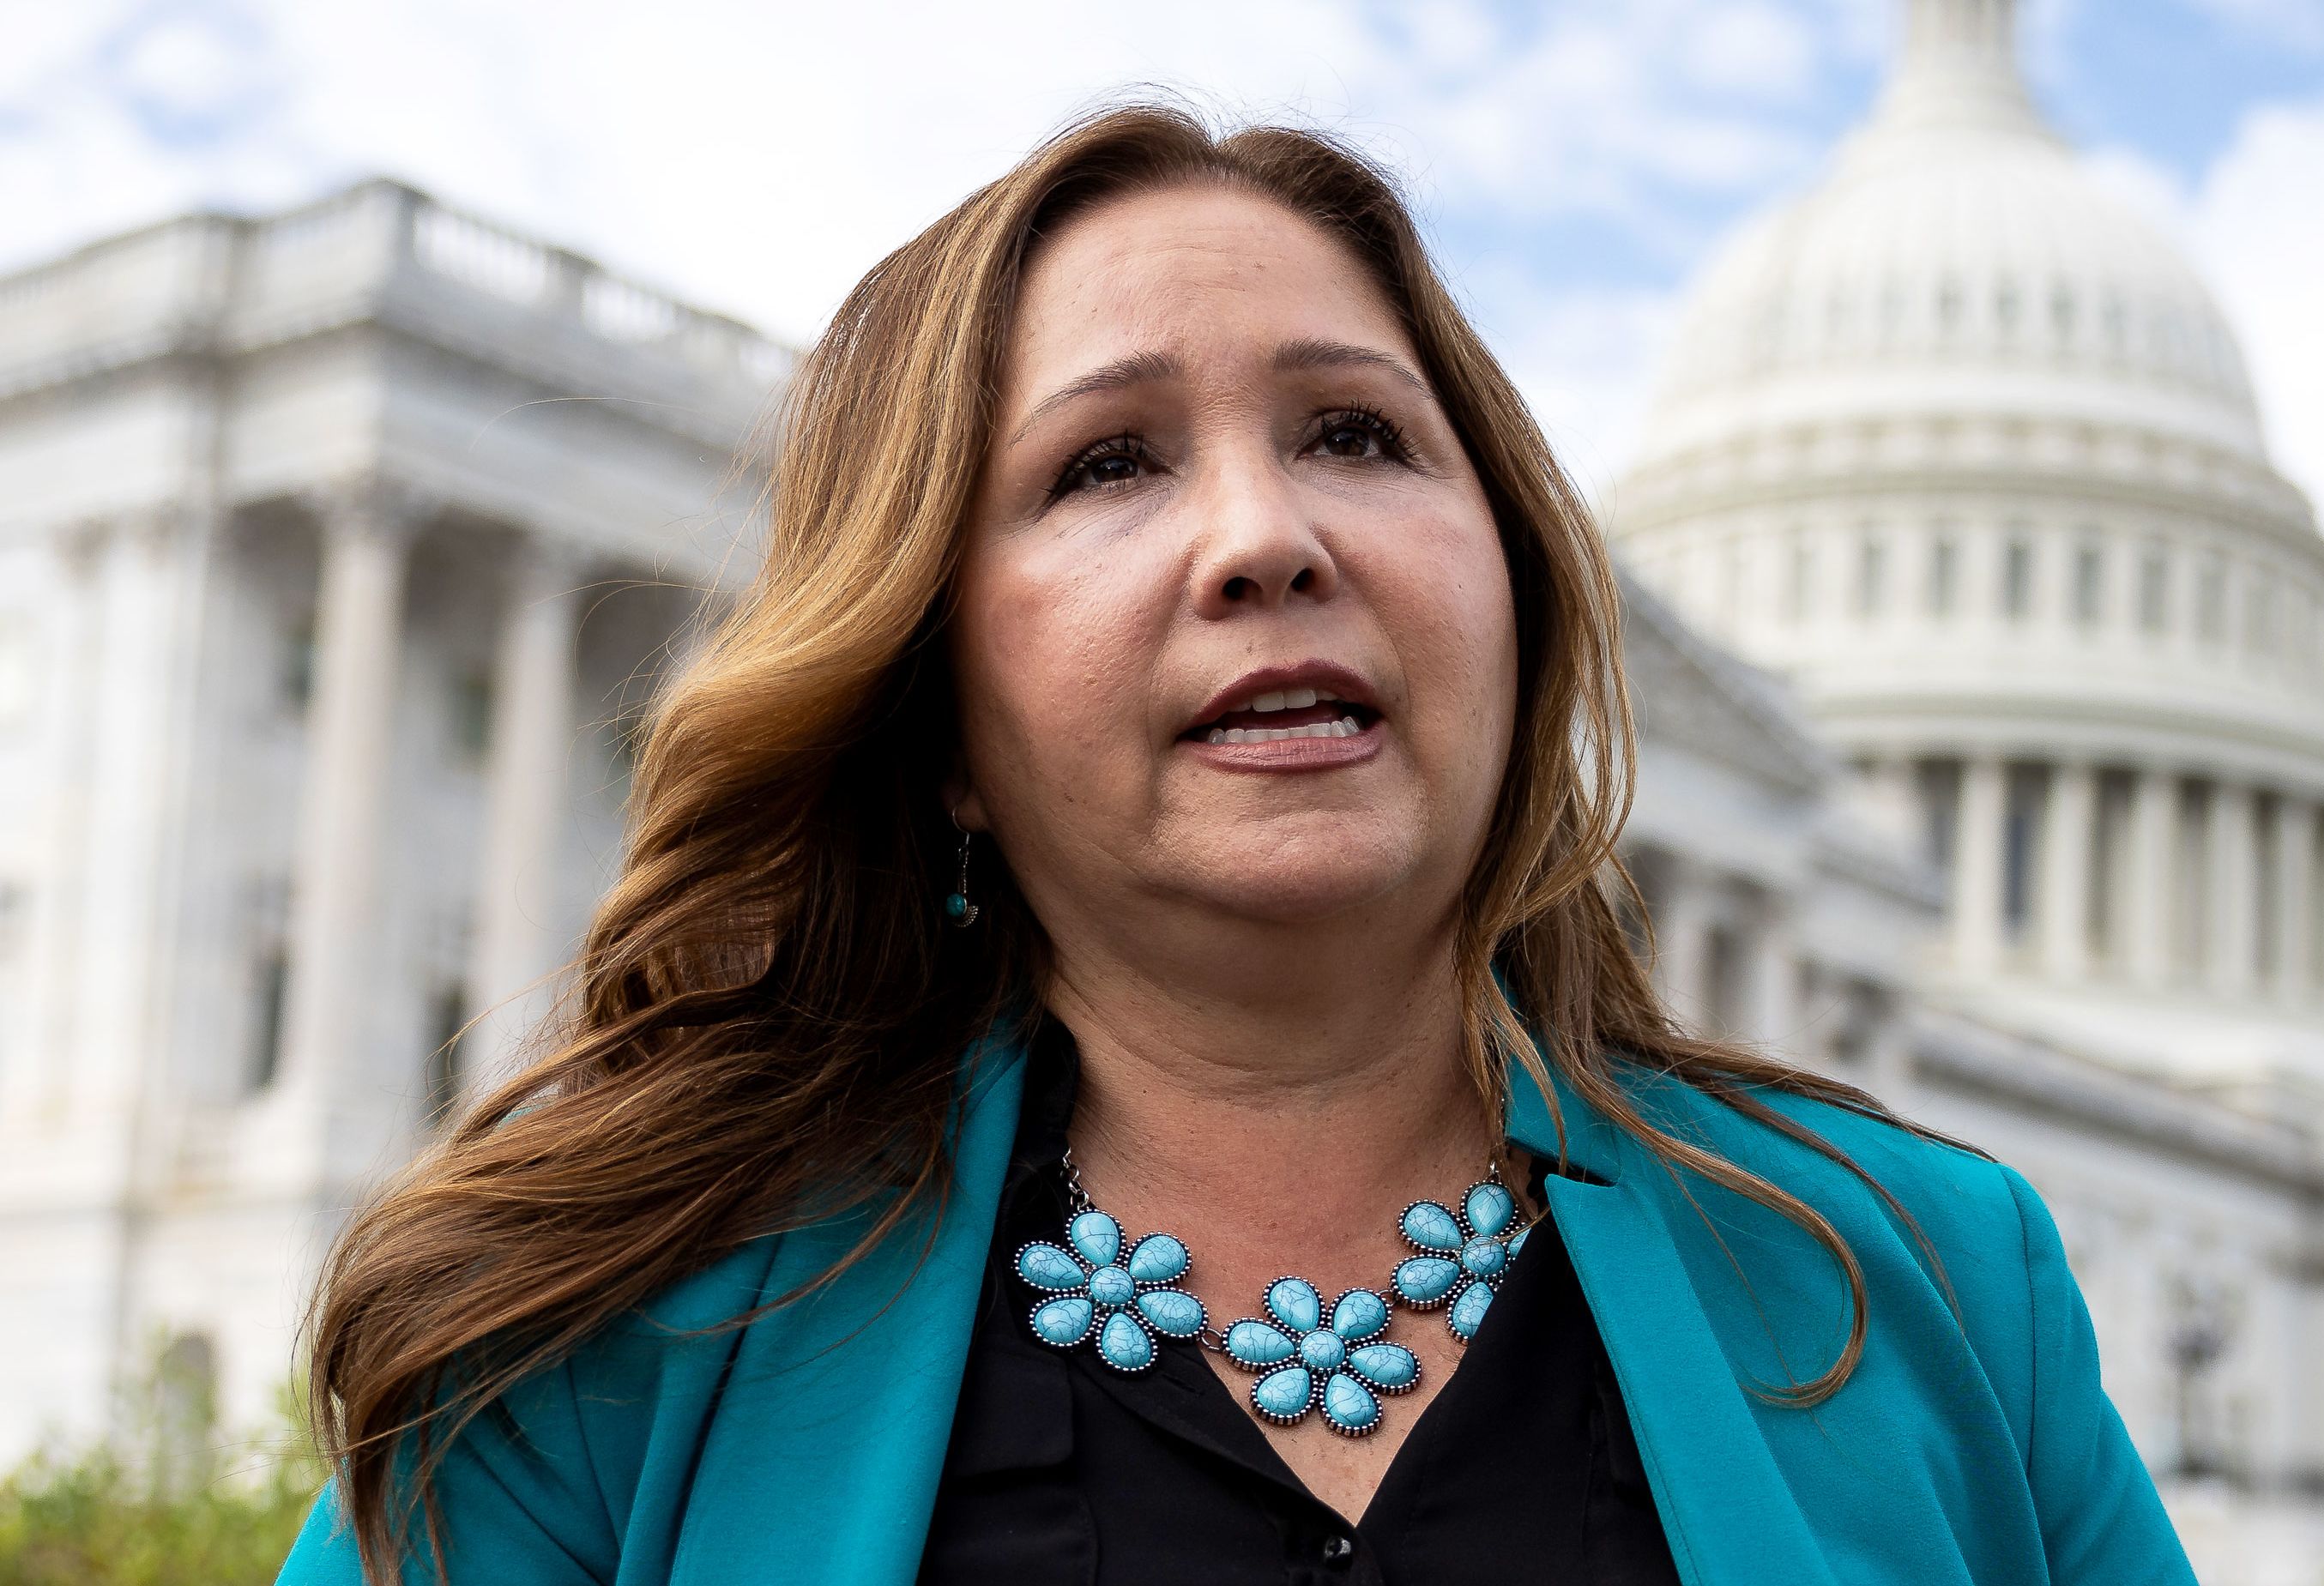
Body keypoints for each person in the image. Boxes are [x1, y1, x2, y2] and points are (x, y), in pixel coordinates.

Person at [275, 104, 2193, 1585]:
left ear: (1515, 605)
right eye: (1107, 465)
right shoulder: (604, 1334)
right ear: (937, 718)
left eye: (1357, 433)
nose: (1269, 537)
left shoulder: (1931, 1283)